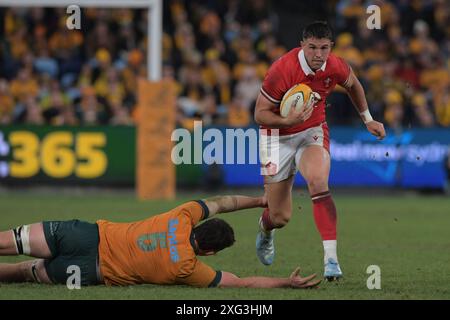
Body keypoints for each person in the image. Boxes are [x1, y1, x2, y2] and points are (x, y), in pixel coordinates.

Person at [254, 22, 386, 280]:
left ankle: (331, 260)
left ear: (330, 48)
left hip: (311, 132)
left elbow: (354, 85)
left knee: (318, 182)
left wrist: (368, 118)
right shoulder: (282, 69)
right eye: (312, 47)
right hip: (275, 138)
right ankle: (266, 230)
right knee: (280, 216)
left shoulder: (335, 65)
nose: (318, 54)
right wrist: (287, 122)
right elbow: (259, 114)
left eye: (324, 48)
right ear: (302, 45)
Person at [0, 194, 320, 289]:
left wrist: (261, 201)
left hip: (86, 234)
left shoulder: (182, 216)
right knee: (20, 273)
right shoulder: (187, 268)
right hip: (87, 271)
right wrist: (286, 283)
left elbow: (222, 203)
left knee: (8, 241)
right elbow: (243, 283)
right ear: (210, 251)